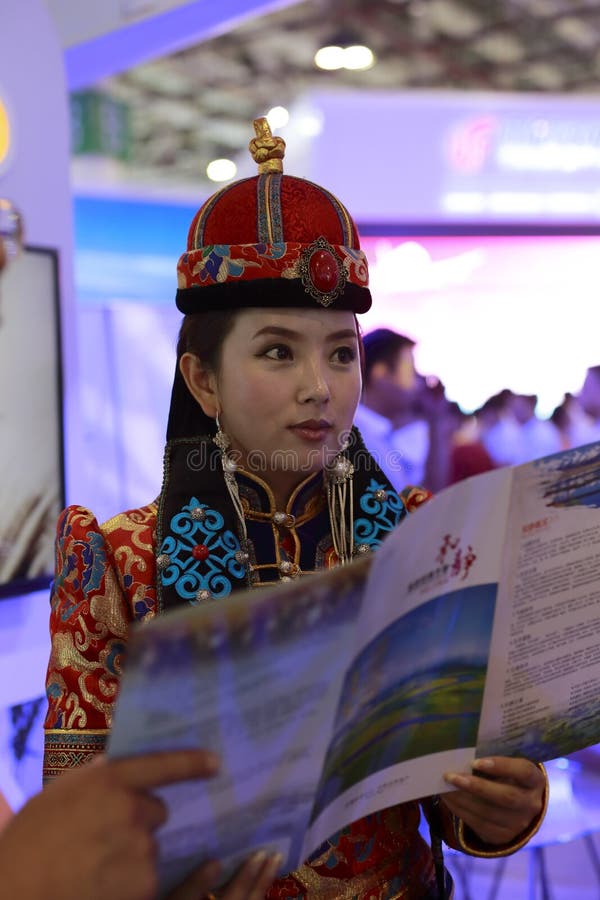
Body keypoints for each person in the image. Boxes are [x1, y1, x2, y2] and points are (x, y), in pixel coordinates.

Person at [44, 119, 547, 899]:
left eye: (340, 351)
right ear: (202, 380)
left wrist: (499, 807)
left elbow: (459, 783)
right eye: (278, 351)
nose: (321, 385)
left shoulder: (426, 537)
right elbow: (73, 834)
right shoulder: (118, 562)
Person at [354, 329, 454, 492]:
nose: (419, 383)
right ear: (381, 373)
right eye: (412, 371)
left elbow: (424, 495)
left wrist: (435, 420)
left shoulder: (379, 435)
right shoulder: (353, 438)